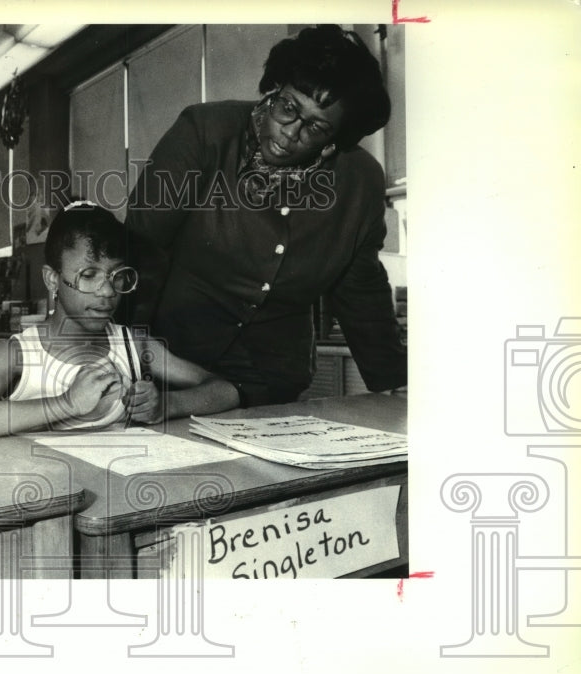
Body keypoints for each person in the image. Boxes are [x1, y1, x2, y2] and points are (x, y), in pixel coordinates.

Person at [125, 25, 406, 407]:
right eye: (288, 108)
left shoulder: (360, 183)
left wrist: (394, 382)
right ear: (274, 87)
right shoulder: (205, 133)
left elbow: (361, 290)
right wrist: (124, 350)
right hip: (172, 370)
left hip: (271, 381)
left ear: (337, 140)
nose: (290, 133)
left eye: (316, 127)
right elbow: (140, 248)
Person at [0, 203, 238, 437]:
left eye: (117, 276)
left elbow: (227, 391)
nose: (107, 291)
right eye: (89, 275)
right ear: (52, 279)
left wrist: (166, 404)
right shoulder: (16, 355)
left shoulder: (133, 344)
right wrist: (65, 404)